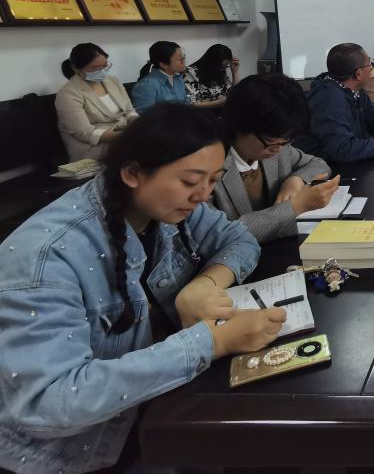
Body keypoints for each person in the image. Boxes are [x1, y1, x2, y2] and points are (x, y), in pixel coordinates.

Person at [0, 104, 285, 474]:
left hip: (153, 414)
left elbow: (239, 239)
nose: (203, 195)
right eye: (190, 181)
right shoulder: (47, 258)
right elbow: (49, 404)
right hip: (73, 454)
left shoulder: (170, 207)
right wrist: (210, 343)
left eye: (214, 180)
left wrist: (206, 283)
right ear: (133, 173)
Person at [211, 74, 340, 243]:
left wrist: (296, 179)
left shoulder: (278, 146)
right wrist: (296, 207)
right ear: (238, 125)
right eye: (271, 141)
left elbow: (318, 164)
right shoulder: (207, 167)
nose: (278, 150)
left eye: (285, 141)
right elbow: (220, 235)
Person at [303, 43, 374, 165]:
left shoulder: (356, 90)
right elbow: (343, 149)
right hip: (327, 169)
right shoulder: (329, 98)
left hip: (351, 162)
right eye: (369, 63)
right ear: (358, 74)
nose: (372, 67)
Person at [55, 43, 138, 162]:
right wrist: (127, 136)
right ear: (76, 68)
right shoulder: (68, 93)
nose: (101, 71)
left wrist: (138, 124)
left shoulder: (113, 81)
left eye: (105, 66)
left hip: (124, 139)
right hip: (95, 149)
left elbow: (129, 111)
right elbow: (85, 133)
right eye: (95, 68)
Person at [131, 40, 186, 111]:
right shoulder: (146, 86)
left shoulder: (178, 78)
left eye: (183, 57)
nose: (184, 61)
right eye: (179, 59)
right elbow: (144, 116)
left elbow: (184, 104)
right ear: (164, 65)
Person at [184, 43, 240, 108]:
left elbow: (234, 93)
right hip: (201, 112)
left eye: (225, 66)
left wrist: (235, 72)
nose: (222, 69)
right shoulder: (190, 72)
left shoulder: (221, 71)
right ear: (211, 63)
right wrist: (219, 102)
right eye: (221, 66)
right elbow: (192, 103)